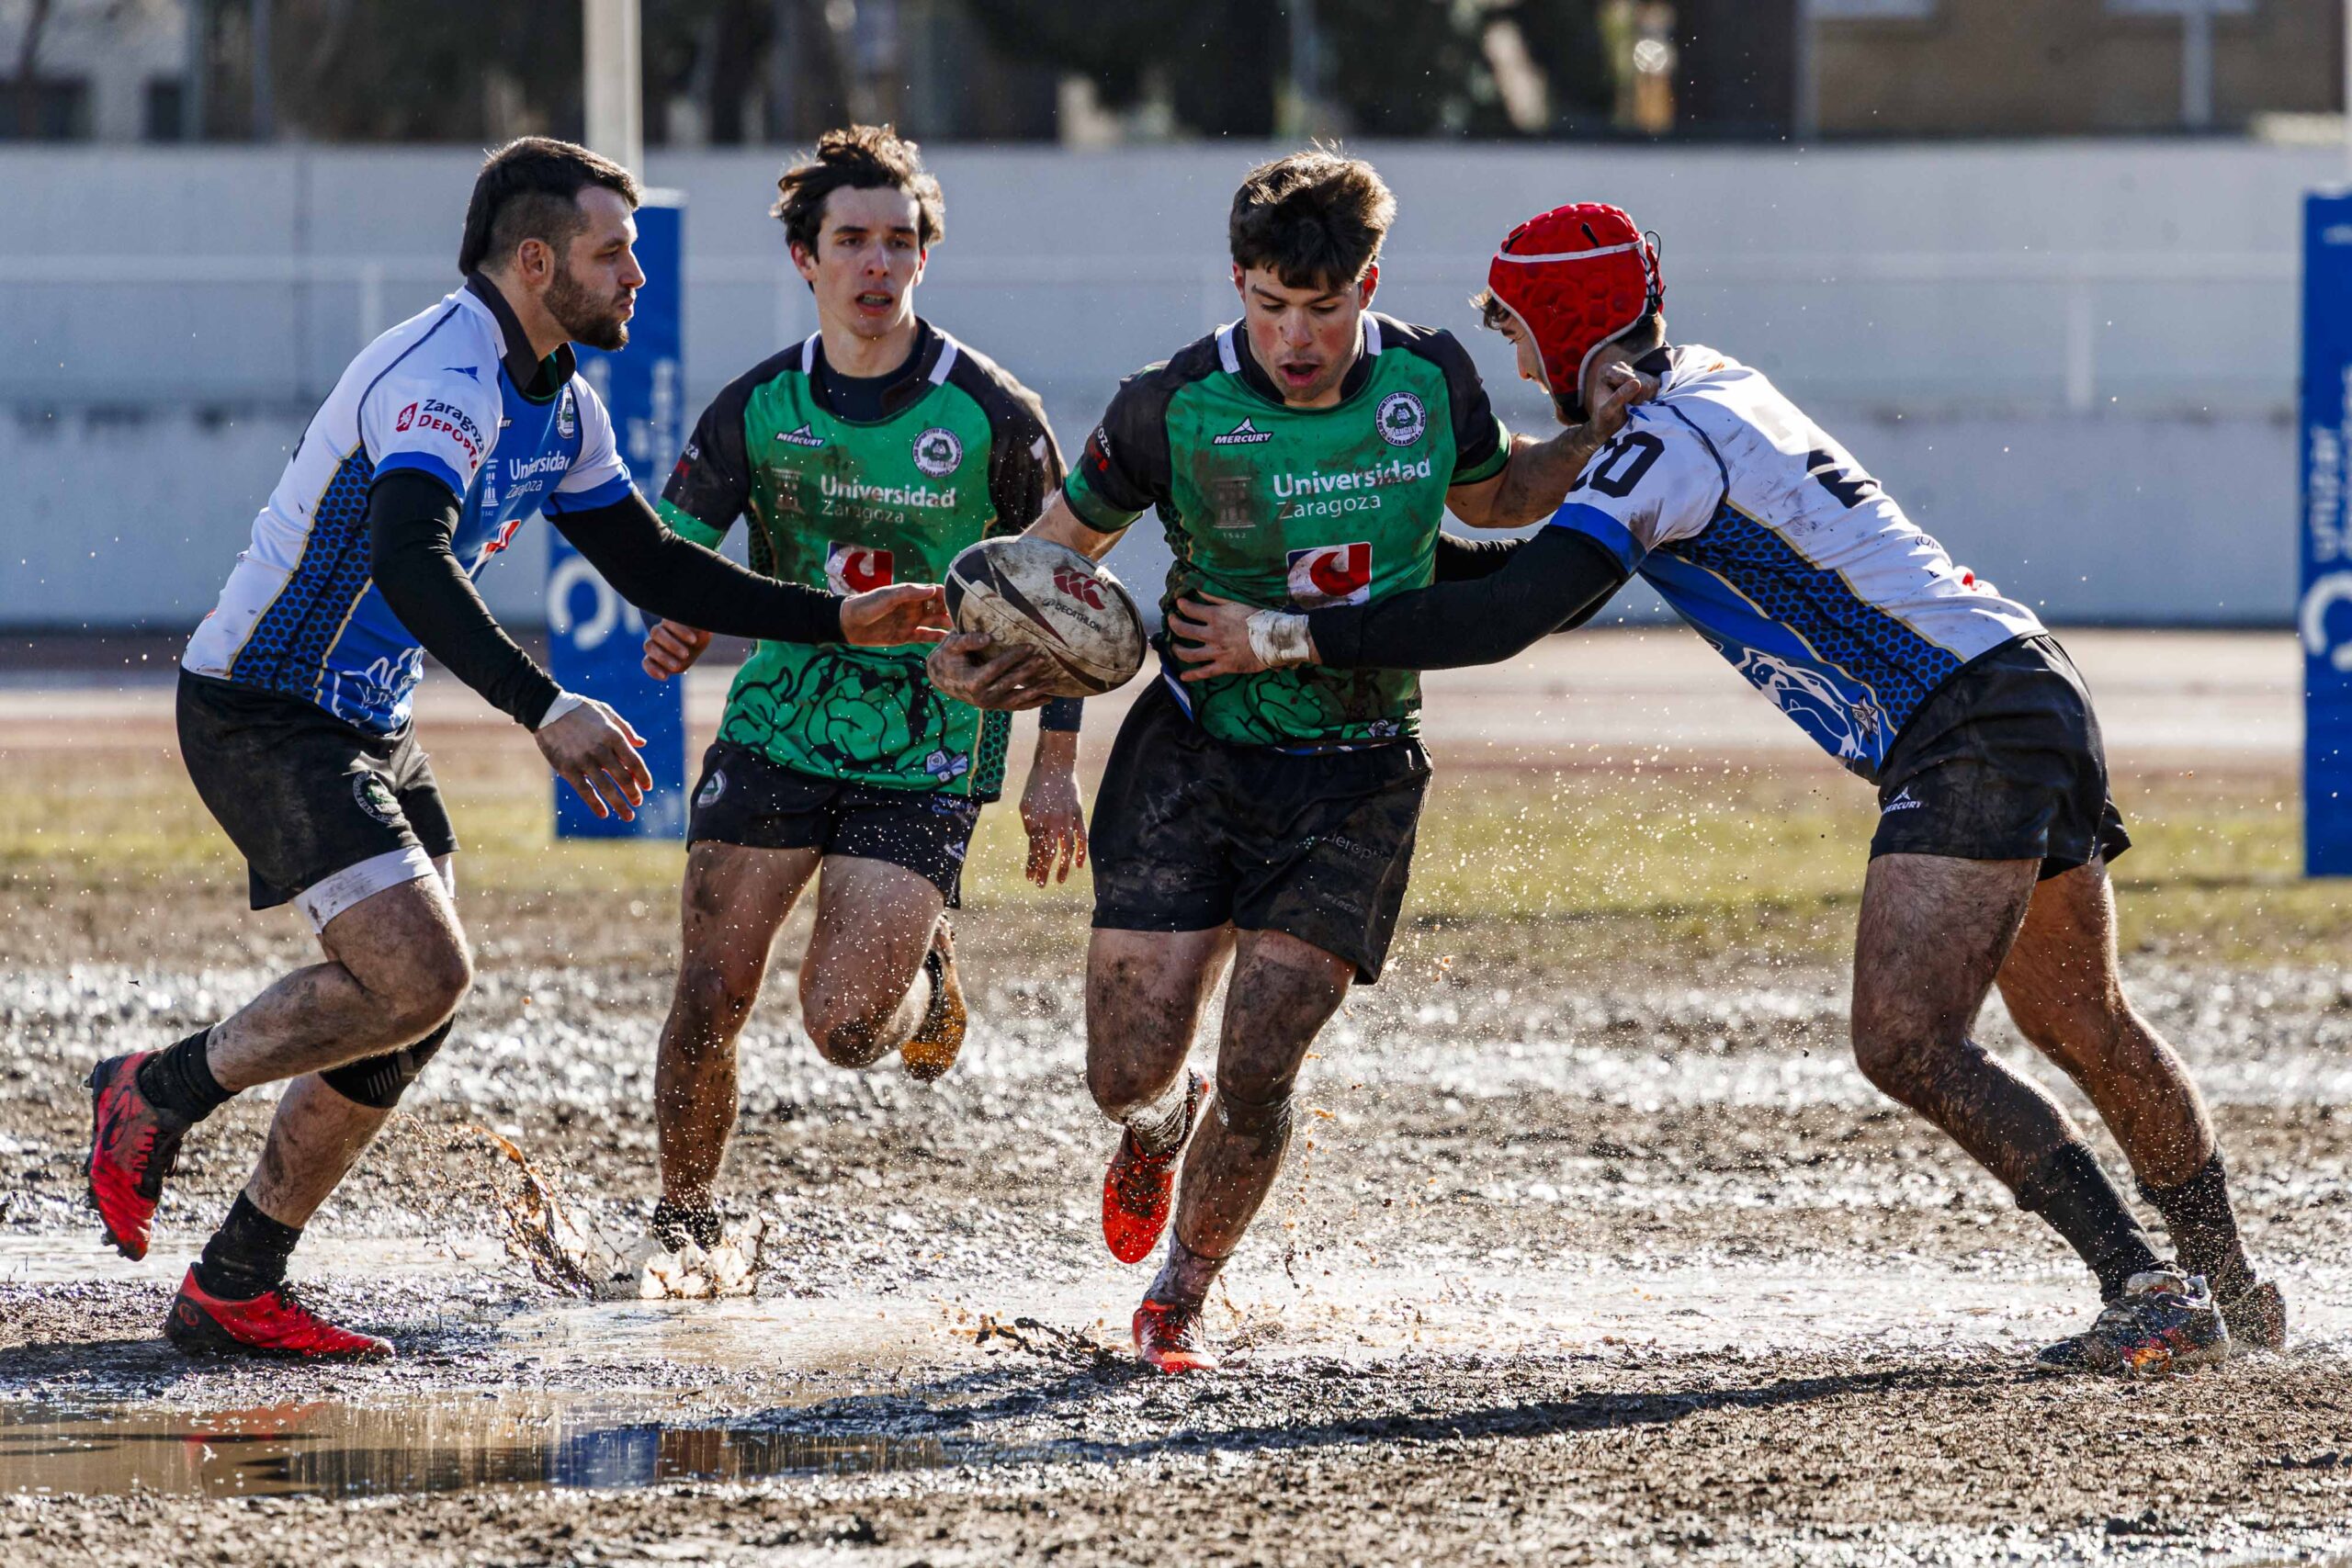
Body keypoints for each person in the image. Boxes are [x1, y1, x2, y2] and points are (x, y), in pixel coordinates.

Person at [1171, 201, 2286, 1375]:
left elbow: (1507, 613)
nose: (1512, 365)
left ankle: (2145, 1288)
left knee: (1906, 1041)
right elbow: (1531, 576)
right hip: (2021, 687)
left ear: (1558, 335)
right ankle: (2230, 1286)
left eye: (1517, 340)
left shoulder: (1658, 441)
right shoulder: (1702, 388)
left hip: (1967, 723)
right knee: (2081, 1022)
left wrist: (1285, 635)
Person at [85, 138, 948, 1360]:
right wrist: (547, 708)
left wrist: (833, 614)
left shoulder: (560, 395)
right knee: (417, 972)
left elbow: (647, 560)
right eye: (613, 254)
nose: (636, 278)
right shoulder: (446, 373)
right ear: (537, 262)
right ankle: (155, 1090)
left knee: (413, 1006)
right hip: (264, 705)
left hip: (364, 714)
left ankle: (235, 1279)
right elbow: (407, 555)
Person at [928, 152, 1644, 1372]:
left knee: (1261, 1055)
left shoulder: (1430, 378)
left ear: (1369, 282)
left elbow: (1499, 495)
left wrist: (1592, 434)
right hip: (1195, 752)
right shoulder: (1172, 402)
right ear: (1237, 283)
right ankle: (1160, 1125)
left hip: (1358, 770)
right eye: (1269, 305)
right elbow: (1057, 557)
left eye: (1322, 307)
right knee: (1123, 1070)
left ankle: (1179, 1298)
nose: (1295, 336)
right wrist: (982, 648)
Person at [631, 126, 1080, 1254]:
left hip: (930, 741)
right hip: (781, 723)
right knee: (706, 1001)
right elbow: (672, 556)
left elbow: (1065, 601)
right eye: (851, 242)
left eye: (898, 241)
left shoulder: (994, 415)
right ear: (806, 259)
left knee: (840, 1029)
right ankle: (685, 1232)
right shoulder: (754, 408)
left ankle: (923, 970)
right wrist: (675, 612)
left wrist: (1055, 767)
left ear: (922, 256)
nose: (876, 265)